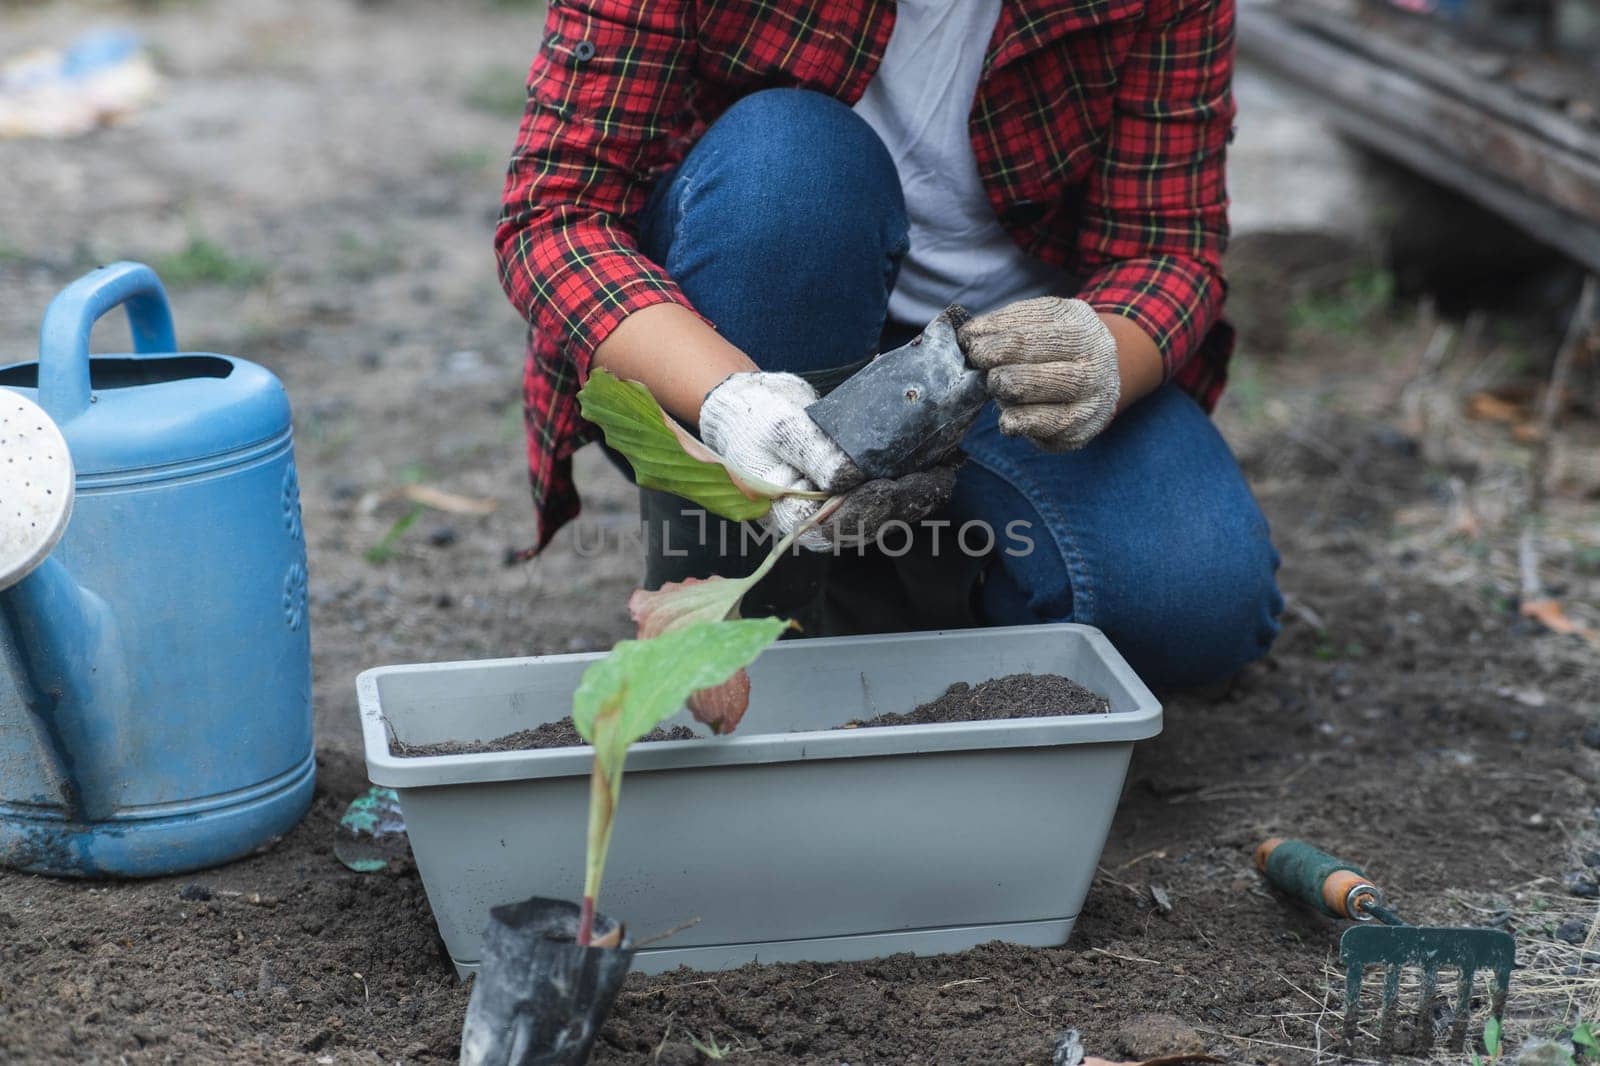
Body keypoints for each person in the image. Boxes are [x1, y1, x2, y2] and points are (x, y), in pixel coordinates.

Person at [495, 0, 1283, 689]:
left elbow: (1165, 246)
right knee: (792, 165)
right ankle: (733, 615)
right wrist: (731, 397)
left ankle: (894, 583)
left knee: (1190, 602)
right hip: (755, 322)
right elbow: (556, 216)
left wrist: (1095, 354)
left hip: (997, 363)